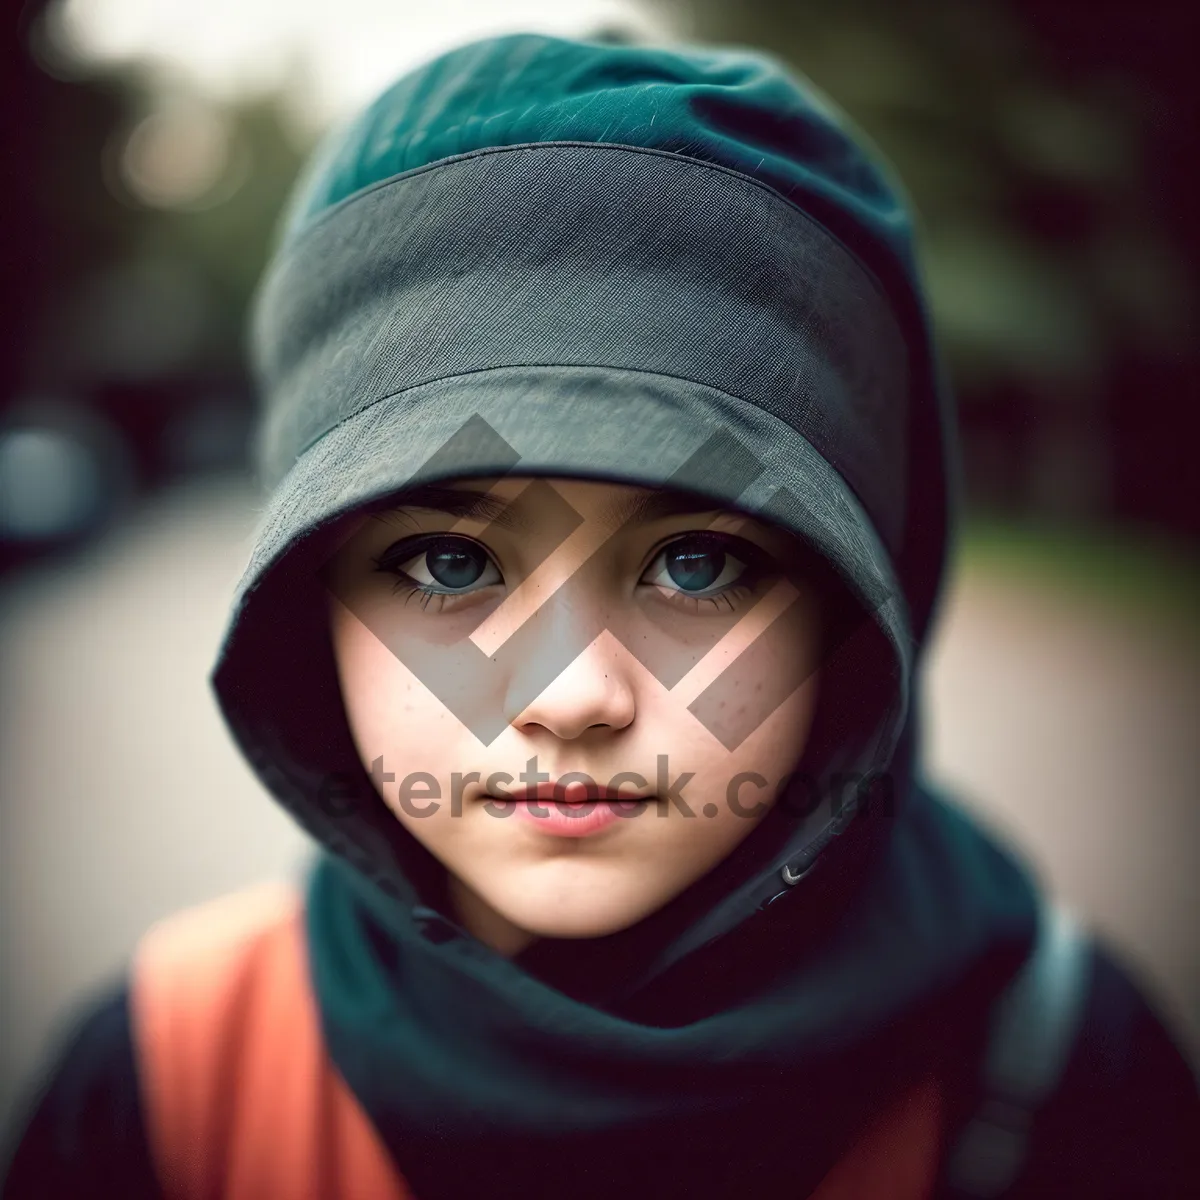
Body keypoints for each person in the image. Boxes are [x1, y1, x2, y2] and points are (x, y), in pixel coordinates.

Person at [2, 32, 1197, 1200]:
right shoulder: (173, 1081)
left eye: (694, 565)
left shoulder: (1058, 1069)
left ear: (854, 594)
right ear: (308, 601)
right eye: (444, 563)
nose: (570, 697)